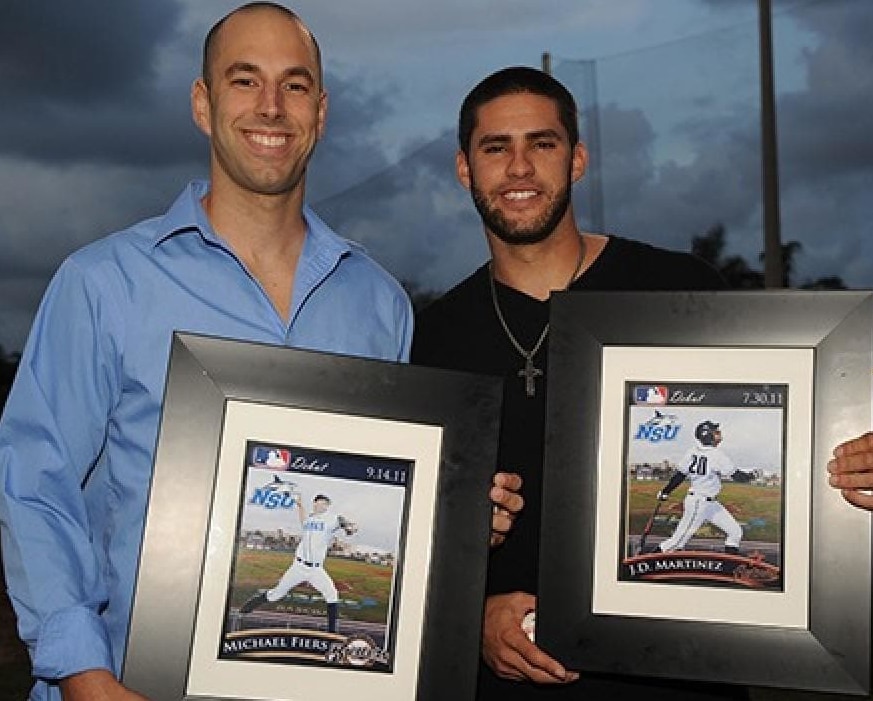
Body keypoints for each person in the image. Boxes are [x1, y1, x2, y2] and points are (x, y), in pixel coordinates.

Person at [0, 6, 522, 700]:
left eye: (295, 85)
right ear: (202, 102)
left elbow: (380, 492)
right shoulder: (103, 283)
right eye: (244, 81)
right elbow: (36, 487)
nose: (271, 107)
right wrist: (83, 672)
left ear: (322, 110)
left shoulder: (377, 301)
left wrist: (453, 514)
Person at [411, 66, 873, 700]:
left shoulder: (682, 291)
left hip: (684, 679)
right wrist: (471, 614)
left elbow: (786, 455)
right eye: (495, 148)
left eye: (542, 143)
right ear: (464, 168)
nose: (519, 167)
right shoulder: (432, 338)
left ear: (578, 159)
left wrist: (864, 474)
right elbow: (418, 540)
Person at [239, 493, 356, 633]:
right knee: (276, 594)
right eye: (320, 502)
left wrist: (349, 528)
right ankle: (249, 606)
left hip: (316, 570)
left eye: (325, 503)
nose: (322, 505)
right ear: (315, 504)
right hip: (298, 567)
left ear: (328, 506)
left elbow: (347, 525)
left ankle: (331, 632)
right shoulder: (309, 520)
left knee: (332, 595)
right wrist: (299, 505)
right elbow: (302, 518)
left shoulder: (332, 519)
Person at [654, 420, 750, 555]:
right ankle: (643, 563)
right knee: (677, 542)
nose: (719, 435)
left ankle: (730, 566)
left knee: (735, 532)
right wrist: (751, 475)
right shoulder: (717, 455)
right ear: (708, 436)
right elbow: (737, 476)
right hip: (699, 503)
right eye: (715, 432)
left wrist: (665, 491)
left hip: (710, 504)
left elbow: (679, 475)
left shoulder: (692, 452)